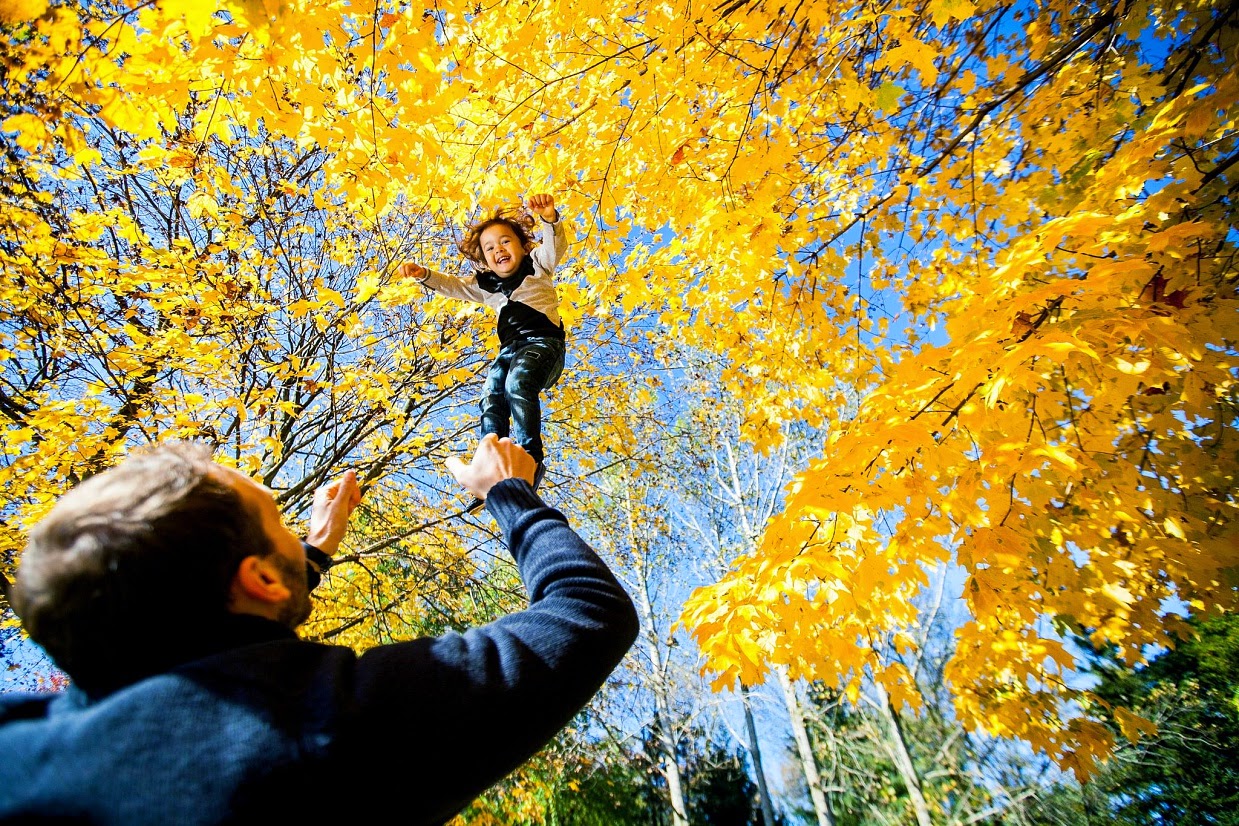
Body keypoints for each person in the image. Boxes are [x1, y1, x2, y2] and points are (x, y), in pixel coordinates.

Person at [0, 435, 638, 824]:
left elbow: (209, 640)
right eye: (275, 514)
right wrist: (510, 493)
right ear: (259, 581)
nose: (290, 522)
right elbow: (586, 612)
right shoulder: (311, 731)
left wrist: (308, 554)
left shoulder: (23, 742)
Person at [398, 193, 568, 501]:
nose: (498, 250)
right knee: (492, 391)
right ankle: (491, 459)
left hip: (544, 345)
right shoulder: (486, 287)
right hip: (510, 351)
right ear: (484, 258)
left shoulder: (538, 266)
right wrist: (424, 274)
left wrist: (549, 219)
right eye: (490, 248)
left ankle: (531, 457)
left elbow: (555, 246)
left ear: (522, 245)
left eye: (505, 242)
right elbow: (456, 286)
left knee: (518, 383)